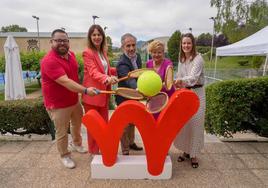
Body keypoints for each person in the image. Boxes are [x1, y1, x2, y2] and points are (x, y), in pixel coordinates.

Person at [41, 29, 97, 169]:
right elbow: (65, 81)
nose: (62, 43)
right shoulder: (49, 61)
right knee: (62, 132)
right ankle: (64, 155)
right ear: (51, 42)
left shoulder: (71, 55)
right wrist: (85, 90)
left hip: (73, 100)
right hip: (58, 104)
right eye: (58, 40)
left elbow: (76, 75)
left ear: (68, 42)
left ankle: (76, 144)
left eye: (65, 40)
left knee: (77, 124)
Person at [82, 24, 118, 154]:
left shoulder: (102, 52)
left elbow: (106, 69)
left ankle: (103, 148)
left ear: (103, 36)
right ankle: (93, 151)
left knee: (104, 124)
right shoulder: (87, 53)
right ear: (90, 37)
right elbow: (93, 72)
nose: (97, 37)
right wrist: (106, 78)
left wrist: (118, 70)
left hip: (104, 94)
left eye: (99, 34)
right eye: (94, 35)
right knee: (93, 127)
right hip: (93, 95)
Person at [173, 33, 205, 168]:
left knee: (196, 124)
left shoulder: (198, 58)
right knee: (185, 123)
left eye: (189, 43)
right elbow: (179, 75)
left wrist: (179, 81)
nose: (186, 45)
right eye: (184, 43)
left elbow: (193, 78)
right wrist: (176, 82)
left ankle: (194, 155)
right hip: (185, 93)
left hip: (197, 93)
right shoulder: (181, 59)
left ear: (193, 44)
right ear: (181, 45)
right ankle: (185, 151)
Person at [116, 33, 143, 155]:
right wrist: (139, 89)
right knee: (124, 124)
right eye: (128, 46)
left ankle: (131, 143)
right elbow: (129, 79)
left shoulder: (137, 57)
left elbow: (140, 74)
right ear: (123, 47)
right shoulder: (122, 63)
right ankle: (125, 149)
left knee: (133, 122)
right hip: (124, 97)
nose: (131, 48)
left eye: (133, 45)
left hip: (135, 96)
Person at [146, 40, 175, 118]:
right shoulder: (148, 63)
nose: (156, 55)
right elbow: (147, 81)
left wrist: (153, 89)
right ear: (151, 52)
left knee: (166, 122)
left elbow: (168, 83)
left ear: (163, 53)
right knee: (154, 122)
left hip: (166, 98)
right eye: (154, 52)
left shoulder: (168, 64)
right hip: (154, 99)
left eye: (159, 52)